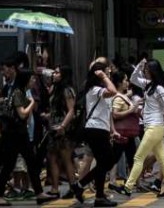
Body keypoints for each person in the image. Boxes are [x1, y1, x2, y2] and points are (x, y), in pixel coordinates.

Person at [111, 60, 164, 198]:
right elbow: (133, 78)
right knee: (162, 158)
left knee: (138, 157)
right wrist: (139, 66)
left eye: (147, 70)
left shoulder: (160, 89)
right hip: (152, 127)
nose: (145, 72)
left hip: (155, 127)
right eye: (145, 69)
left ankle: (128, 187)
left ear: (153, 71)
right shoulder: (148, 85)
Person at [0, 67, 58, 206]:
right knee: (9, 165)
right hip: (14, 135)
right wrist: (31, 103)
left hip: (19, 134)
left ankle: (39, 193)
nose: (34, 81)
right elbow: (22, 114)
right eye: (32, 79)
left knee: (31, 163)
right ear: (26, 80)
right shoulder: (18, 93)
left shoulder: (19, 92)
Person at [69, 61, 120, 207]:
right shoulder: (94, 89)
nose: (109, 75)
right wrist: (104, 76)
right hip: (95, 129)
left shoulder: (98, 89)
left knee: (104, 164)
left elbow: (107, 111)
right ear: (99, 74)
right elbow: (113, 91)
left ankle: (98, 196)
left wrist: (112, 130)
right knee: (108, 161)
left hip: (100, 130)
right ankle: (81, 185)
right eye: (106, 72)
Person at [43, 65, 77, 198]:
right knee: (52, 158)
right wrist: (48, 116)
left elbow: (72, 110)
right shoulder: (54, 89)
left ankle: (73, 187)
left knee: (66, 158)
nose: (54, 74)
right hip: (53, 128)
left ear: (63, 75)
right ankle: (54, 188)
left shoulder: (67, 90)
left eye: (57, 73)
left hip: (64, 130)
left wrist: (63, 126)